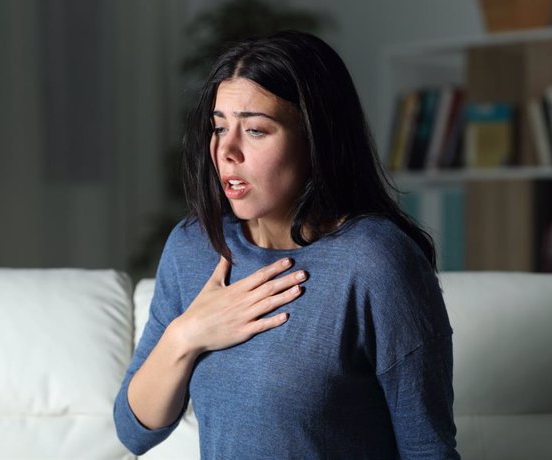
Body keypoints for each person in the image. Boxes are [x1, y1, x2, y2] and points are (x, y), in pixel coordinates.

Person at [114, 30, 459, 459]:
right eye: (219, 127)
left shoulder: (376, 261)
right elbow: (134, 431)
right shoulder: (194, 246)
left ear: (315, 138)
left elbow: (428, 451)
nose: (227, 151)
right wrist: (189, 333)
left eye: (256, 130)